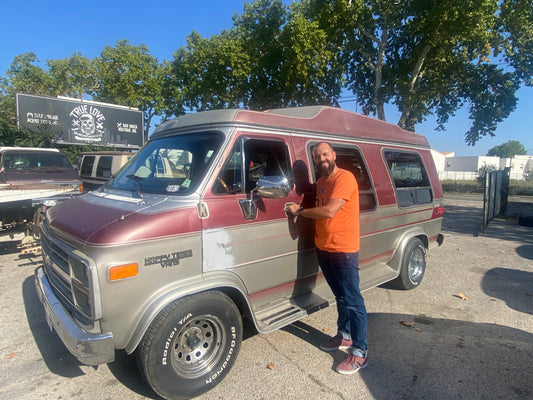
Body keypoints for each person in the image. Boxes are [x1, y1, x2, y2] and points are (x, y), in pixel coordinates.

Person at [287, 141, 368, 374]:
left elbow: (330, 211)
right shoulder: (321, 182)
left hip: (343, 249)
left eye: (324, 154)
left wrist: (299, 211)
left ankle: (360, 352)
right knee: (340, 297)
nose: (321, 159)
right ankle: (344, 336)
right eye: (316, 156)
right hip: (324, 248)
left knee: (353, 301)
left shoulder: (344, 178)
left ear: (333, 155)